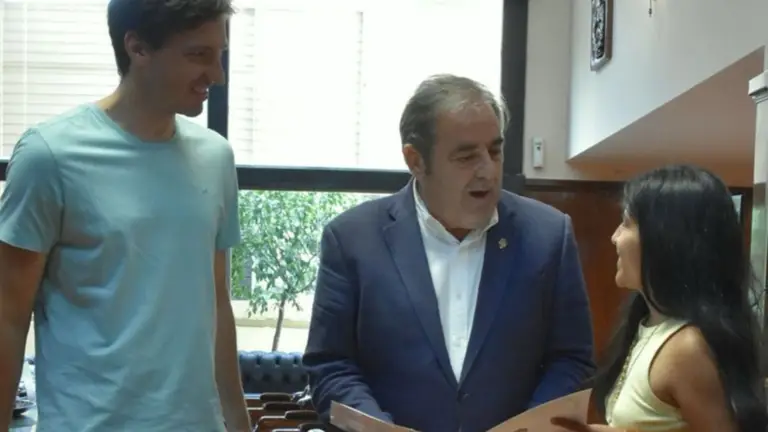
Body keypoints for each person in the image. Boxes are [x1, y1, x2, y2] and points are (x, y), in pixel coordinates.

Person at [0, 1, 251, 430]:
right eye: (198, 55)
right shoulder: (49, 156)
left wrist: (238, 422)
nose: (217, 75)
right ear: (138, 48)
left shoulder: (216, 158)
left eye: (220, 55)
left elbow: (216, 304)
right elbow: (8, 316)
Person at [303, 74, 596, 432]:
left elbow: (572, 360)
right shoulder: (352, 239)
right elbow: (331, 366)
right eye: (466, 156)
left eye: (495, 151)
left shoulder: (548, 236)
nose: (488, 170)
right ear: (415, 160)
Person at [552, 165, 768, 432]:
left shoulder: (687, 348)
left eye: (626, 223)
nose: (615, 237)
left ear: (665, 239)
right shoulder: (647, 324)